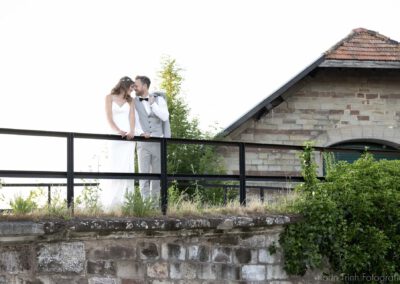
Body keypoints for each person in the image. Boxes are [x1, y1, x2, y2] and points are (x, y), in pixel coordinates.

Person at [103, 76, 139, 211]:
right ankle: (111, 203)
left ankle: (125, 203)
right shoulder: (109, 97)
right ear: (124, 85)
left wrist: (131, 131)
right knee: (114, 165)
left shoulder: (131, 101)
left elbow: (132, 118)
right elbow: (109, 117)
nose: (133, 90)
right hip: (115, 134)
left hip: (128, 137)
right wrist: (118, 131)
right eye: (131, 87)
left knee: (127, 166)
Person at [133, 75, 170, 204]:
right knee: (143, 175)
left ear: (144, 86)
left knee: (156, 176)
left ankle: (154, 206)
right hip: (142, 142)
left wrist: (153, 104)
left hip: (158, 141)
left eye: (136, 85)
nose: (134, 88)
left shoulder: (159, 100)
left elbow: (165, 117)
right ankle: (145, 205)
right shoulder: (134, 101)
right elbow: (134, 121)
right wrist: (141, 133)